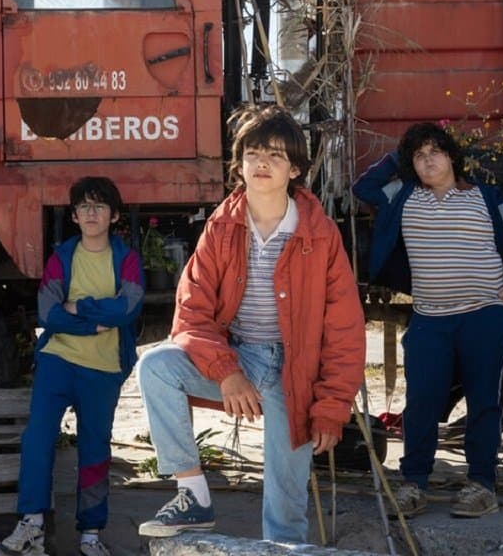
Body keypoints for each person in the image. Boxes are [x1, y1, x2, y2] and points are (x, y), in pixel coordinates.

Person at [135, 104, 365, 543]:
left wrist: (332, 407)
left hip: (293, 372)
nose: (262, 163)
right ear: (239, 164)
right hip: (237, 358)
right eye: (253, 153)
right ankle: (193, 496)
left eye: (276, 155)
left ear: (294, 169)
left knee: (286, 509)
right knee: (156, 368)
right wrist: (226, 371)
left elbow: (345, 330)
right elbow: (191, 312)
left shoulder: (319, 234)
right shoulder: (221, 227)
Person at [353, 122, 503, 519]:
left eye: (435, 151)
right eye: (419, 156)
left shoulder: (485, 197)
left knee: (484, 401)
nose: (427, 161)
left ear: (452, 156)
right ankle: (413, 485)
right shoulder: (402, 196)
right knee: (421, 402)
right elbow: (363, 187)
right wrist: (400, 156)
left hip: (486, 314)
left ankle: (482, 486)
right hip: (430, 319)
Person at [0, 177, 144, 556]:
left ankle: (91, 534)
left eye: (99, 206)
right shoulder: (62, 257)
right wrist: (94, 322)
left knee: (95, 449)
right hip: (57, 360)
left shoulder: (125, 259)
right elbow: (49, 313)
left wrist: (78, 306)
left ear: (113, 215)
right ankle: (32, 524)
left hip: (103, 368)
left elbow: (128, 308)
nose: (91, 213)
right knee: (37, 438)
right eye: (84, 207)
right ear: (74, 216)